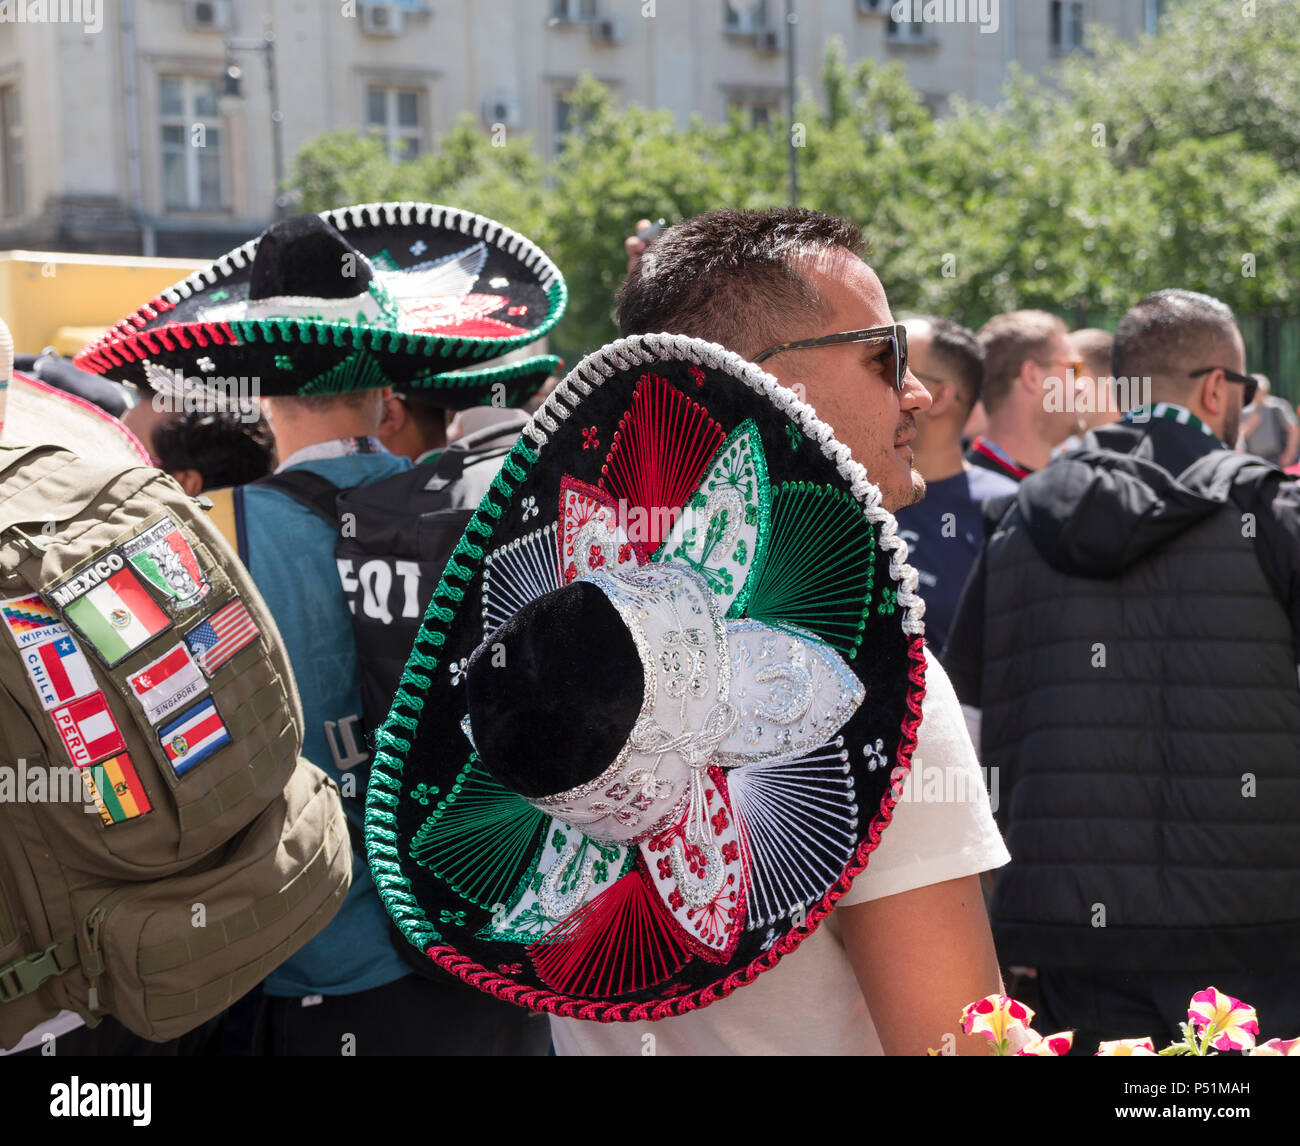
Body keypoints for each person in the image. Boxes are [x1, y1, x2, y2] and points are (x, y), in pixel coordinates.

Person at [543, 206, 1010, 1056]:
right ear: (768, 384)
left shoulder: (561, 647)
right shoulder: (874, 686)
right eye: (885, 355)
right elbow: (961, 1046)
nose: (919, 392)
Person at [944, 288, 1300, 1051]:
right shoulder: (1273, 516)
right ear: (1216, 387)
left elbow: (961, 734)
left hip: (1068, 947)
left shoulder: (1018, 522)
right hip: (1256, 944)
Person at [892, 316, 1017, 656]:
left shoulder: (1007, 509)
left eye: (895, 367)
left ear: (940, 396)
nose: (877, 384)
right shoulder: (843, 490)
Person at [966, 310, 1083, 481]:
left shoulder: (1064, 482)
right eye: (1073, 369)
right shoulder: (980, 500)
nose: (1081, 386)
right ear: (1032, 376)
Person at [1240, 374, 1300, 466]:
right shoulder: (1244, 411)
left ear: (1266, 390)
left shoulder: (1277, 407)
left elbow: (1293, 429)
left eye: (1258, 389)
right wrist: (1249, 426)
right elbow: (1239, 438)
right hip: (1254, 458)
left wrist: (1289, 454)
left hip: (1275, 458)